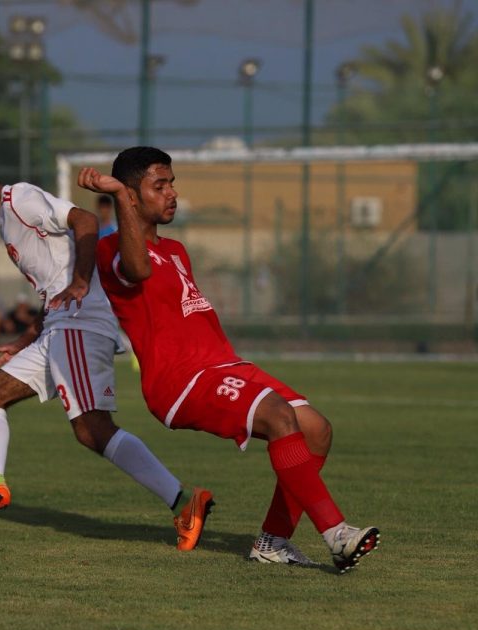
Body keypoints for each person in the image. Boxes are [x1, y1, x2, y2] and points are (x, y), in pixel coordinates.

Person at [78, 146, 380, 573]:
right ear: (130, 195)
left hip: (222, 365)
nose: (172, 193)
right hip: (181, 381)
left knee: (316, 429)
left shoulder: (176, 249)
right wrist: (114, 196)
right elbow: (138, 269)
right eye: (159, 186)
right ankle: (337, 533)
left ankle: (272, 543)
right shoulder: (112, 250)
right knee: (278, 416)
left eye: (172, 184)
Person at [0, 148, 213, 551]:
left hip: (80, 323)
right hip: (59, 326)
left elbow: (85, 220)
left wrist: (81, 281)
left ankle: (184, 502)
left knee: (93, 429)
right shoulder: (8, 220)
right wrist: (26, 338)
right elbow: (53, 285)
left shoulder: (20, 198)